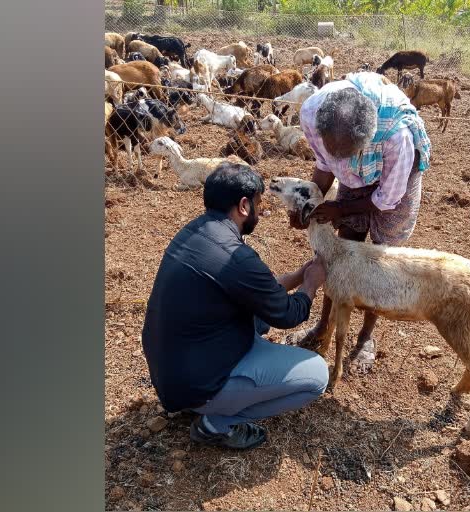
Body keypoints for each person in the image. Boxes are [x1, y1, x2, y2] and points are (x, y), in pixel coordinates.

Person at [141, 163, 328, 450]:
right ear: (243, 206)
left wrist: (297, 277)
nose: (261, 210)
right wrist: (311, 285)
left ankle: (206, 401)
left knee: (258, 318)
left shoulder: (195, 232)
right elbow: (290, 314)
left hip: (171, 369)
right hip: (195, 384)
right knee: (317, 375)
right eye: (258, 203)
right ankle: (216, 422)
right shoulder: (236, 256)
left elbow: (261, 294)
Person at [290, 71, 432, 371]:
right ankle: (323, 326)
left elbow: (387, 198)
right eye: (333, 151)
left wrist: (341, 209)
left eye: (348, 155)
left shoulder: (397, 137)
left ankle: (366, 337)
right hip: (359, 177)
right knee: (336, 250)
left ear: (366, 139)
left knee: (382, 256)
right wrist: (306, 203)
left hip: (394, 183)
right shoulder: (313, 112)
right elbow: (324, 166)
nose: (341, 162)